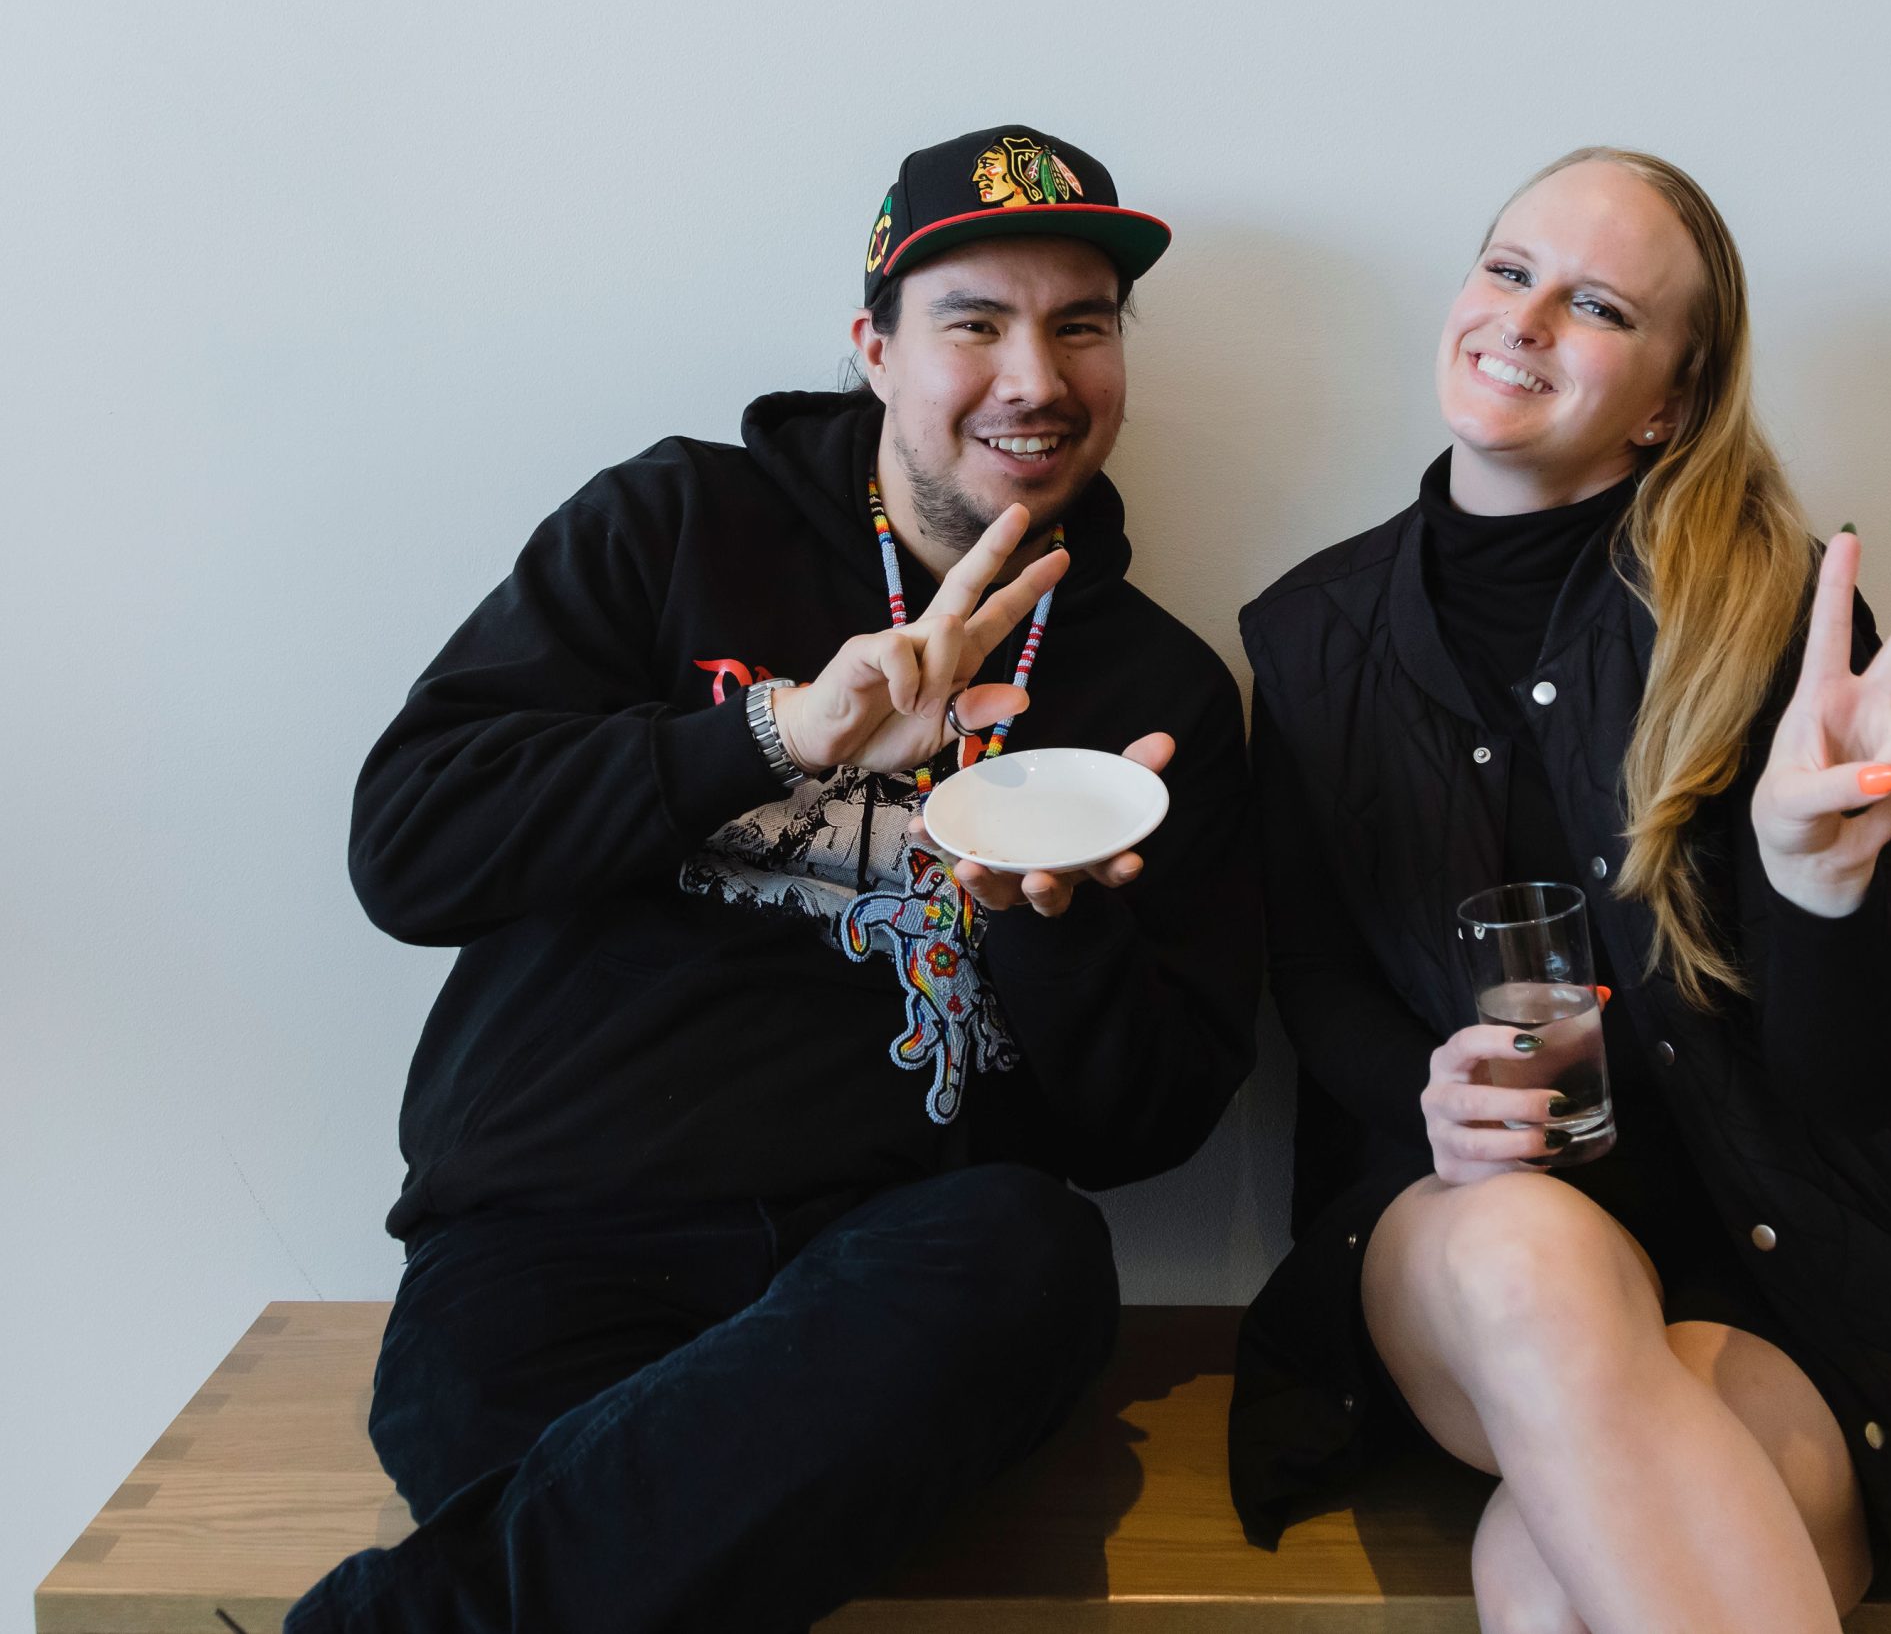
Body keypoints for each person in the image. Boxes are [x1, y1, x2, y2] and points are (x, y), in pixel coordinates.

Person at [292, 125, 1260, 1634]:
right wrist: (774, 734)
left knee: (1034, 1248)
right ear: (873, 350)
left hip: (885, 1282)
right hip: (552, 1240)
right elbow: (411, 849)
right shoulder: (672, 525)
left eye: (1082, 325)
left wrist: (1043, 928)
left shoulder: (1159, 690)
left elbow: (1152, 1124)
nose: (1036, 376)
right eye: (975, 323)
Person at [1227, 147, 1891, 1634]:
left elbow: (1849, 1088)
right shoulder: (1306, 633)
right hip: (1463, 1257)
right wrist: (1433, 1088)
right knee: (1535, 1250)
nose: (1524, 318)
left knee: (1540, 1585)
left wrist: (1818, 886)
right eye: (1507, 268)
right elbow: (1315, 980)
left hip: (1768, 1285)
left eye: (1595, 303)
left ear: (1670, 399)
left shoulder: (1774, 622)